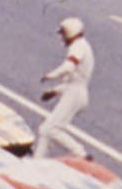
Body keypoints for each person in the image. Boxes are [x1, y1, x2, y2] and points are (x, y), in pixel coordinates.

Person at [36, 17, 93, 159]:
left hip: (75, 94)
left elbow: (69, 67)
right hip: (74, 92)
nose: (62, 38)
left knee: (52, 129)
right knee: (45, 130)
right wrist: (54, 91)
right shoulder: (83, 46)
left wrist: (51, 75)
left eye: (63, 34)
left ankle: (81, 154)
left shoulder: (78, 47)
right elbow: (73, 81)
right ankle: (38, 159)